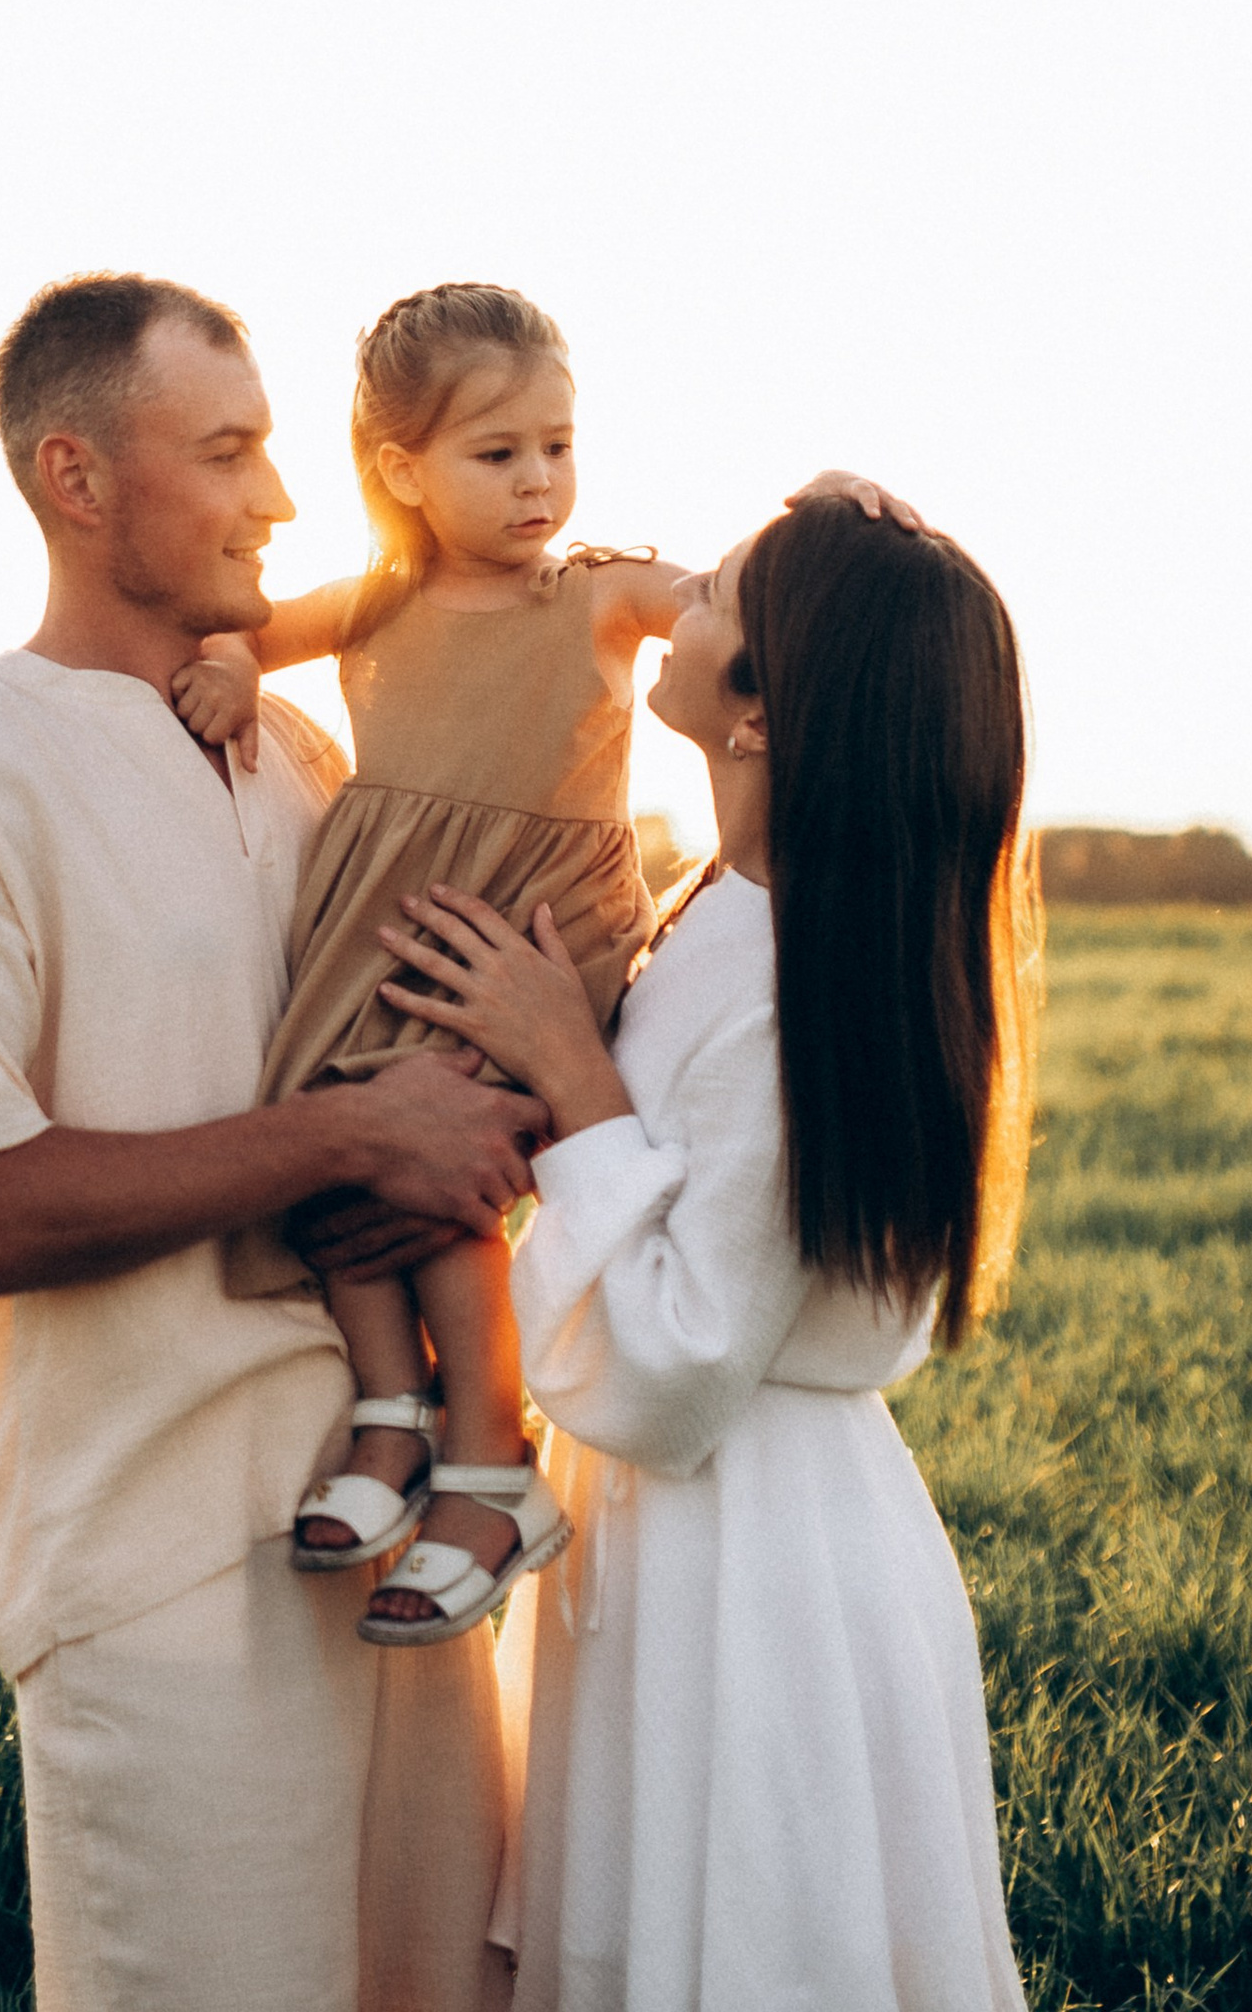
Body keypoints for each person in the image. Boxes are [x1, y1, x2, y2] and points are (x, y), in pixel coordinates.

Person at [0, 273, 547, 2012]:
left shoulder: (304, 749)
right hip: (154, 1568)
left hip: (404, 1545)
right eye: (226, 453)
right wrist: (347, 1133)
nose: (282, 501)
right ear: (77, 479)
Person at [382, 488, 1041, 2012]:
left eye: (720, 593)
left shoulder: (797, 970)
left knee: (745, 1947)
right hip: (705, 1534)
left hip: (752, 1564)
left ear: (761, 710)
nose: (675, 602)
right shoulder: (731, 909)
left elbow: (677, 1364)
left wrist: (572, 1071)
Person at [170, 282, 684, 1644]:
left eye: (558, 447)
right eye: (498, 453)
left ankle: (487, 1453)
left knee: (447, 1170)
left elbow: (737, 605)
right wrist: (227, 666)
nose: (540, 482)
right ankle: (390, 1409)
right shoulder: (381, 601)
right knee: (335, 1132)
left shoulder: (600, 594)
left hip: (530, 931)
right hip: (389, 918)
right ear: (402, 471)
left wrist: (830, 510)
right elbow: (235, 625)